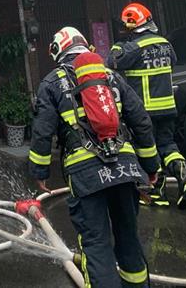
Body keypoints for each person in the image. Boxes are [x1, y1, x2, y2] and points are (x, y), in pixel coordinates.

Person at [29, 26, 160, 288]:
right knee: (129, 237)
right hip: (125, 170)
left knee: (96, 243)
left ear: (57, 50)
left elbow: (43, 131)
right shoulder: (111, 76)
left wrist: (40, 172)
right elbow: (141, 121)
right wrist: (150, 166)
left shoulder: (52, 82)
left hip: (86, 175)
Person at [107, 2, 186, 210]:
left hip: (145, 111)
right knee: (168, 146)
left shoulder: (132, 48)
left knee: (147, 149)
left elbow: (112, 62)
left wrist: (118, 44)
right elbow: (172, 63)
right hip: (168, 108)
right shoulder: (166, 44)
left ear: (131, 26)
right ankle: (184, 177)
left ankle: (157, 192)